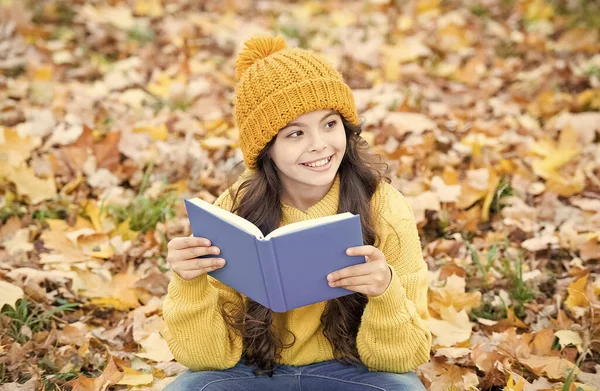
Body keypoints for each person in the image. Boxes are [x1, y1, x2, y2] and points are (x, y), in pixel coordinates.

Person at [162, 35, 431, 391]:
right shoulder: (233, 208)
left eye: (330, 124)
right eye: (295, 133)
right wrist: (189, 283)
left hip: (352, 370)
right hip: (253, 372)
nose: (319, 144)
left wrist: (385, 291)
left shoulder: (383, 205)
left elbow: (403, 359)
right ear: (266, 149)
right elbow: (205, 360)